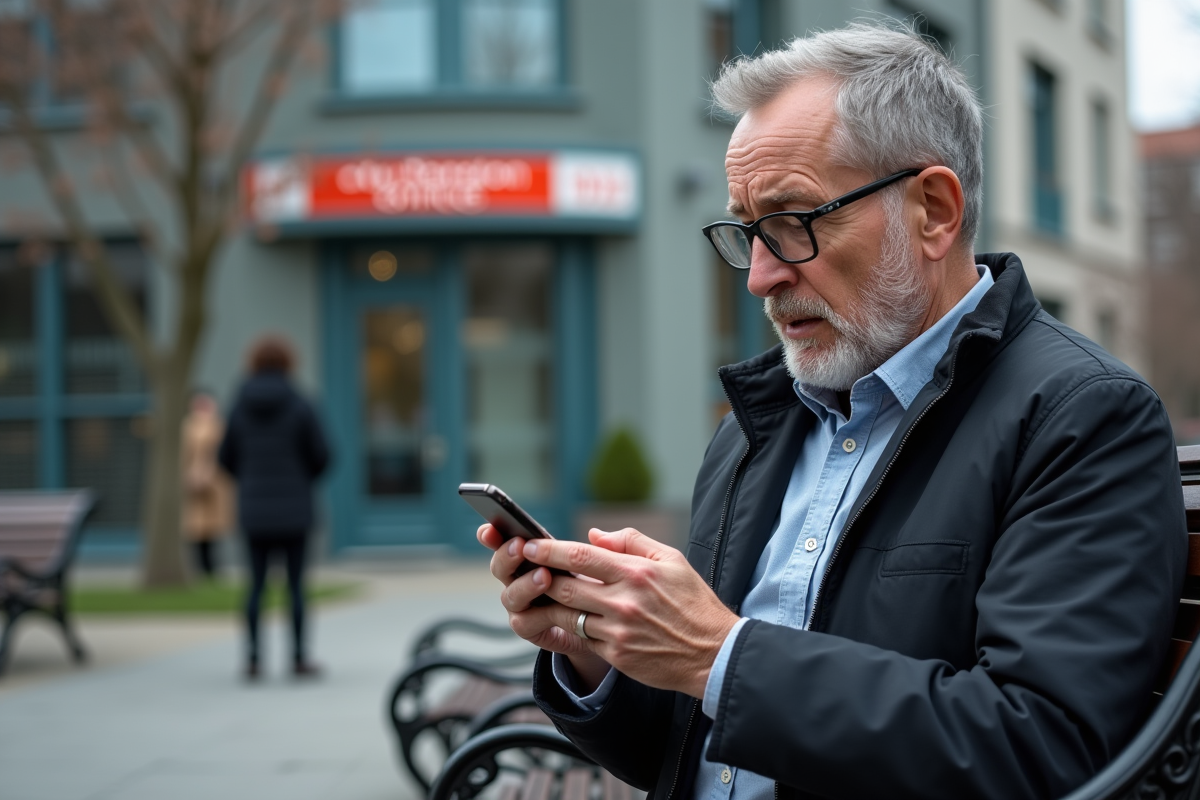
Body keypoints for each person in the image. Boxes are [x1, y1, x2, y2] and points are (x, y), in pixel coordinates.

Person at [478, 23, 1188, 800]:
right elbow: (682, 750)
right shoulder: (756, 427)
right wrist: (593, 648)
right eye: (747, 231)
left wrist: (717, 656)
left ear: (933, 211)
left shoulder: (1083, 419)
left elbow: (1040, 750)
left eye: (794, 222)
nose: (760, 276)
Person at [219, 336, 330, 680]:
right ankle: (298, 658)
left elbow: (225, 457)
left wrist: (250, 479)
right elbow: (322, 455)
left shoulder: (238, 405)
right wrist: (300, 478)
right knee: (296, 587)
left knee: (255, 586)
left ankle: (253, 659)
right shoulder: (301, 403)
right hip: (295, 509)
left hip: (254, 511)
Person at [181, 390, 233, 579]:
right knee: (197, 528)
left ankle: (212, 568)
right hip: (193, 483)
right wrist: (192, 475)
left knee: (214, 527)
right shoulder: (188, 427)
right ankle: (202, 568)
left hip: (215, 483)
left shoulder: (219, 426)